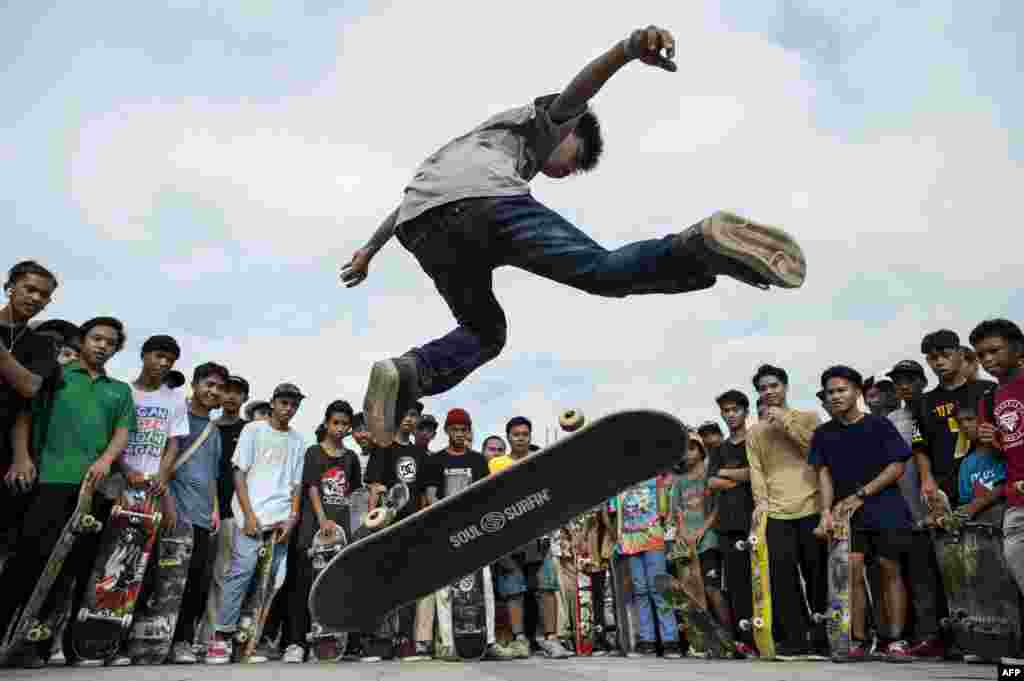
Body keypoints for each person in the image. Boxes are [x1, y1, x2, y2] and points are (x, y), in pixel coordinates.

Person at [343, 24, 807, 447]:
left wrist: (368, 251)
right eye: (575, 159)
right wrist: (627, 51)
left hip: (423, 229)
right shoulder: (540, 121)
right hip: (488, 205)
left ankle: (408, 373)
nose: (565, 173)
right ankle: (700, 247)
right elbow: (580, 88)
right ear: (569, 132)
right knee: (601, 270)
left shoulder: (466, 144)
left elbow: (407, 204)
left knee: (484, 331)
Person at [2, 316, 135, 668]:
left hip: (94, 491)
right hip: (49, 480)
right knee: (28, 562)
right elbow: (24, 415)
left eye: (110, 342)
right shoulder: (56, 375)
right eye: (96, 338)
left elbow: (122, 432)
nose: (102, 346)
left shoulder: (119, 390)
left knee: (72, 571)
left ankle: (36, 647)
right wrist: (21, 457)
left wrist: (107, 461)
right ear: (83, 340)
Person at [811, 366, 915, 662]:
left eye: (842, 390)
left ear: (857, 392)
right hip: (846, 515)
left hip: (886, 510)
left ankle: (895, 641)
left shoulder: (879, 425)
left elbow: (897, 467)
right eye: (830, 392)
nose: (836, 396)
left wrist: (862, 494)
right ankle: (857, 640)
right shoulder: (823, 434)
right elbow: (824, 475)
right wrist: (825, 514)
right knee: (851, 573)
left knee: (888, 569)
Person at [206, 383, 307, 664]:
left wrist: (293, 517)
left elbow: (296, 485)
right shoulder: (253, 430)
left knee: (268, 583)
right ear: (273, 403)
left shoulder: (298, 440)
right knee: (241, 573)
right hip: (251, 517)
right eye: (284, 402)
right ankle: (221, 638)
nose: (288, 408)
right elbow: (239, 474)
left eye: (294, 404)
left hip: (280, 520)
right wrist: (249, 515)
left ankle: (249, 639)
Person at [746, 364, 826, 660]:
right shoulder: (754, 433)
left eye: (773, 386)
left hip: (811, 505)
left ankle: (822, 638)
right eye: (763, 389)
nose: (768, 392)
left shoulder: (809, 418)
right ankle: (795, 640)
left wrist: (786, 422)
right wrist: (761, 503)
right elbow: (757, 471)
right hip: (776, 512)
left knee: (817, 575)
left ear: (785, 386)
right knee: (781, 579)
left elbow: (816, 452)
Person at [280, 400, 360, 663]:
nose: (339, 428)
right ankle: (295, 643)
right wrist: (322, 519)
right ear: (326, 423)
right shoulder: (313, 452)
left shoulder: (351, 458)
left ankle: (333, 641)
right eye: (335, 423)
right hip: (313, 528)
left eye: (344, 424)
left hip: (341, 529)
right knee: (303, 583)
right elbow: (312, 487)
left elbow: (354, 494)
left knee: (333, 586)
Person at [492, 416, 573, 659]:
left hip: (539, 533)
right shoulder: (496, 464)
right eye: (516, 434)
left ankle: (550, 638)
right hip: (509, 536)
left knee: (546, 588)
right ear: (508, 437)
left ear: (530, 436)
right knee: (513, 590)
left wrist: (552, 529)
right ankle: (519, 641)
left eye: (525, 434)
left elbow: (551, 494)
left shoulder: (541, 460)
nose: (520, 438)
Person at [0, 261, 62, 577]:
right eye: (30, 289)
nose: (36, 298)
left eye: (44, 295)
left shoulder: (42, 343)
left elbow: (28, 389)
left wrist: (21, 457)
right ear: (10, 287)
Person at [969, 319, 1024, 656]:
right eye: (980, 354)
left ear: (1018, 349)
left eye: (994, 350)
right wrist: (998, 441)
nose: (987, 359)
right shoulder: (990, 398)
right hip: (1016, 502)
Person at [884, 359, 945, 660]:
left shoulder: (935, 407)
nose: (903, 385)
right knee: (919, 578)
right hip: (908, 512)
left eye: (909, 378)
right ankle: (927, 637)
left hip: (942, 505)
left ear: (923, 380)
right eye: (898, 381)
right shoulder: (891, 419)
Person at [167, 362, 228, 664]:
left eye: (219, 387)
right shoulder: (177, 417)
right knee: (163, 580)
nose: (213, 391)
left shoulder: (214, 432)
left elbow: (212, 475)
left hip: (203, 517)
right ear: (194, 384)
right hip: (174, 513)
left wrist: (215, 509)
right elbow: (165, 464)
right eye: (208, 384)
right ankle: (143, 639)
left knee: (195, 583)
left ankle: (182, 641)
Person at [199, 374, 251, 650]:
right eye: (227, 390)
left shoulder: (251, 430)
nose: (231, 396)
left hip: (237, 514)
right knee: (202, 575)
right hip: (205, 509)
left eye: (238, 392)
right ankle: (203, 635)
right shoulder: (209, 428)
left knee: (226, 576)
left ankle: (216, 636)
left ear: (245, 398)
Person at [914, 329, 996, 505]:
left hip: (989, 480)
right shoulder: (924, 402)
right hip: (946, 488)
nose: (939, 362)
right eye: (933, 358)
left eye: (945, 355)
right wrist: (926, 479)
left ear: (960, 354)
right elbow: (920, 447)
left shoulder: (987, 390)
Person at [706, 389, 757, 657]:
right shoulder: (719, 449)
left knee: (760, 582)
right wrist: (741, 477)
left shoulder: (756, 440)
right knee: (736, 586)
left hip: (756, 521)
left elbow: (758, 474)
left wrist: (727, 474)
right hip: (728, 524)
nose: (730, 415)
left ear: (746, 412)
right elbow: (711, 482)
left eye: (734, 409)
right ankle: (742, 640)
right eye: (725, 411)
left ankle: (768, 636)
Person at [670, 431, 729, 651]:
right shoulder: (679, 481)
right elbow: (677, 510)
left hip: (709, 539)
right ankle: (704, 640)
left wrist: (702, 530)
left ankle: (728, 634)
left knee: (712, 589)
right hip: (686, 542)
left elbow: (717, 507)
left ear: (701, 449)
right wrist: (684, 532)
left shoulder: (709, 475)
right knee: (693, 592)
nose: (688, 453)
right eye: (684, 449)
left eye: (692, 448)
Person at [952, 404, 1006, 519]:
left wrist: (977, 505)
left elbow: (1005, 485)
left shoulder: (1004, 451)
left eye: (970, 419)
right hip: (981, 526)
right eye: (960, 422)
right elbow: (965, 502)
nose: (964, 425)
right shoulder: (966, 463)